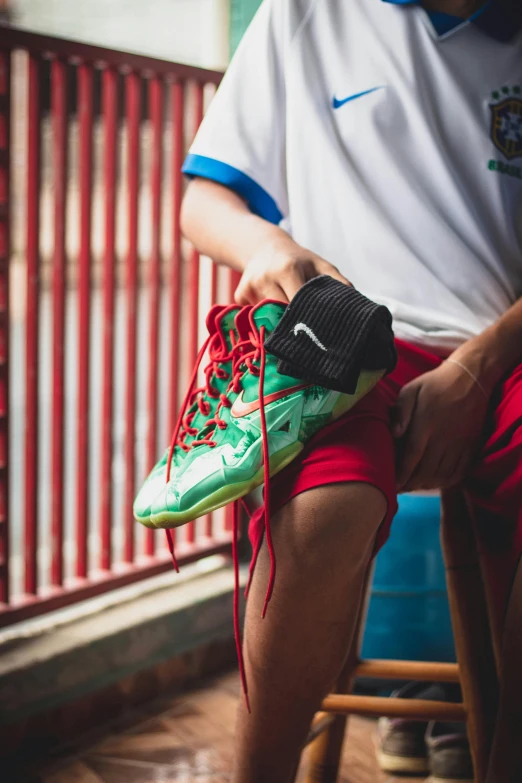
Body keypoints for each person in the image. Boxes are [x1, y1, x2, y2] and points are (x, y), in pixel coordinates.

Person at [180, 1, 522, 781]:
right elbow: (204, 203)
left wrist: (475, 369)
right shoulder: (306, 12)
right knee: (324, 510)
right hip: (345, 330)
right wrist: (268, 245)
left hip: (504, 345)